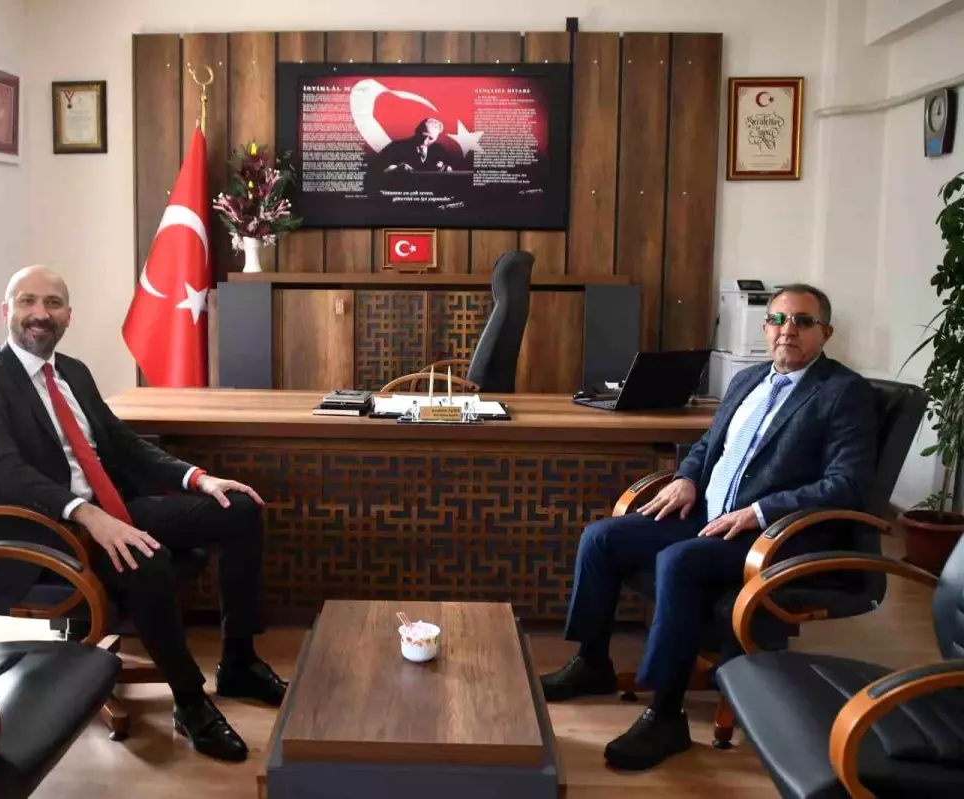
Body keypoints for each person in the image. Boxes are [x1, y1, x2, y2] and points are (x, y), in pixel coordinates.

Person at [538, 284, 877, 771]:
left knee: (679, 560)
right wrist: (686, 478)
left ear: (825, 332)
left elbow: (845, 484)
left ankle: (665, 715)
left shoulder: (843, 392)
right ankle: (592, 662)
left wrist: (758, 512)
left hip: (772, 536)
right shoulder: (748, 380)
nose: (788, 330)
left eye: (802, 321)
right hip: (709, 516)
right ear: (765, 328)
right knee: (603, 537)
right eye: (778, 320)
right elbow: (707, 446)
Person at [0, 265, 285, 764]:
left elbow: (123, 444)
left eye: (52, 303)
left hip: (112, 507)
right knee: (145, 556)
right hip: (52, 529)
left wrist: (199, 478)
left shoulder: (73, 371)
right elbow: (4, 472)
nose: (40, 313)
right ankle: (190, 702)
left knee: (238, 509)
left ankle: (239, 661)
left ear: (68, 315)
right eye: (27, 301)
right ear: (6, 311)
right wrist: (86, 514)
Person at [367, 117, 454, 188]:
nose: (424, 141)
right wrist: (395, 169)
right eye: (423, 136)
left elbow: (451, 172)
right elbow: (374, 169)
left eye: (431, 138)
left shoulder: (439, 149)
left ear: (437, 137)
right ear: (416, 131)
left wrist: (447, 170)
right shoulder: (396, 146)